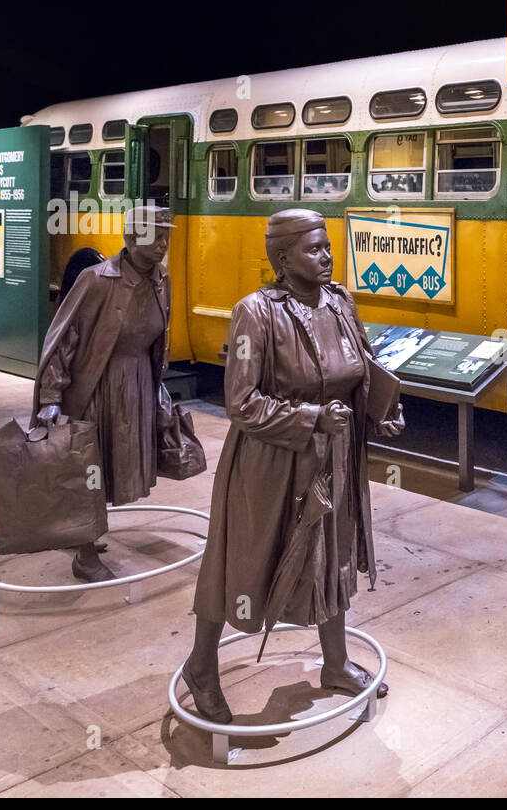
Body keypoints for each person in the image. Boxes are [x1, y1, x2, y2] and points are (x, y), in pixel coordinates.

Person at [183, 208, 405, 724]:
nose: (326, 257)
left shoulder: (341, 303)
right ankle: (202, 667)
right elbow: (240, 401)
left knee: (332, 551)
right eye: (313, 249)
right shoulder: (255, 314)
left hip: (336, 454)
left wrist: (382, 411)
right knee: (244, 559)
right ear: (283, 259)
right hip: (271, 462)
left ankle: (335, 662)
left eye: (327, 247)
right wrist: (309, 417)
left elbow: (361, 369)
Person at [32, 205, 173, 582]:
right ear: (130, 239)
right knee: (89, 467)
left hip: (137, 381)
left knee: (115, 465)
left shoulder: (161, 278)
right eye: (154, 236)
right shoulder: (96, 280)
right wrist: (50, 397)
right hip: (97, 385)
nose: (162, 245)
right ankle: (84, 553)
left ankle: (87, 535)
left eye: (165, 236)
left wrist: (157, 385)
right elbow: (63, 340)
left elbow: (158, 335)